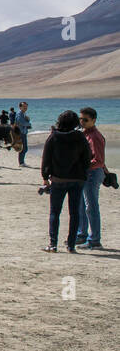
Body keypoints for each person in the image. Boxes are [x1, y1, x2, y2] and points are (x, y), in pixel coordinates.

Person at [40, 110, 88, 253]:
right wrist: (83, 173)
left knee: (55, 212)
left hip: (58, 179)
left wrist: (45, 177)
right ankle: (71, 245)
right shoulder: (80, 137)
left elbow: (46, 158)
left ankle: (53, 244)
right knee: (74, 213)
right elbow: (86, 157)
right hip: (77, 179)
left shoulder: (54, 137)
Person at [76, 107, 107, 249]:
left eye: (85, 120)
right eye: (80, 119)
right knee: (82, 205)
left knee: (91, 207)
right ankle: (82, 235)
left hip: (92, 174)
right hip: (86, 173)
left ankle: (94, 240)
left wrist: (82, 165)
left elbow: (99, 160)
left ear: (93, 120)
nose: (82, 122)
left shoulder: (95, 136)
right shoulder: (85, 134)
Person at [12, 102, 32, 167]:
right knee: (24, 148)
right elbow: (21, 122)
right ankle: (21, 162)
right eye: (24, 106)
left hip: (23, 132)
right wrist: (29, 124)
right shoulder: (19, 114)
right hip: (20, 133)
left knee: (24, 148)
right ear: (20, 107)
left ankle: (21, 162)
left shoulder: (23, 113)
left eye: (26, 107)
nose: (25, 108)